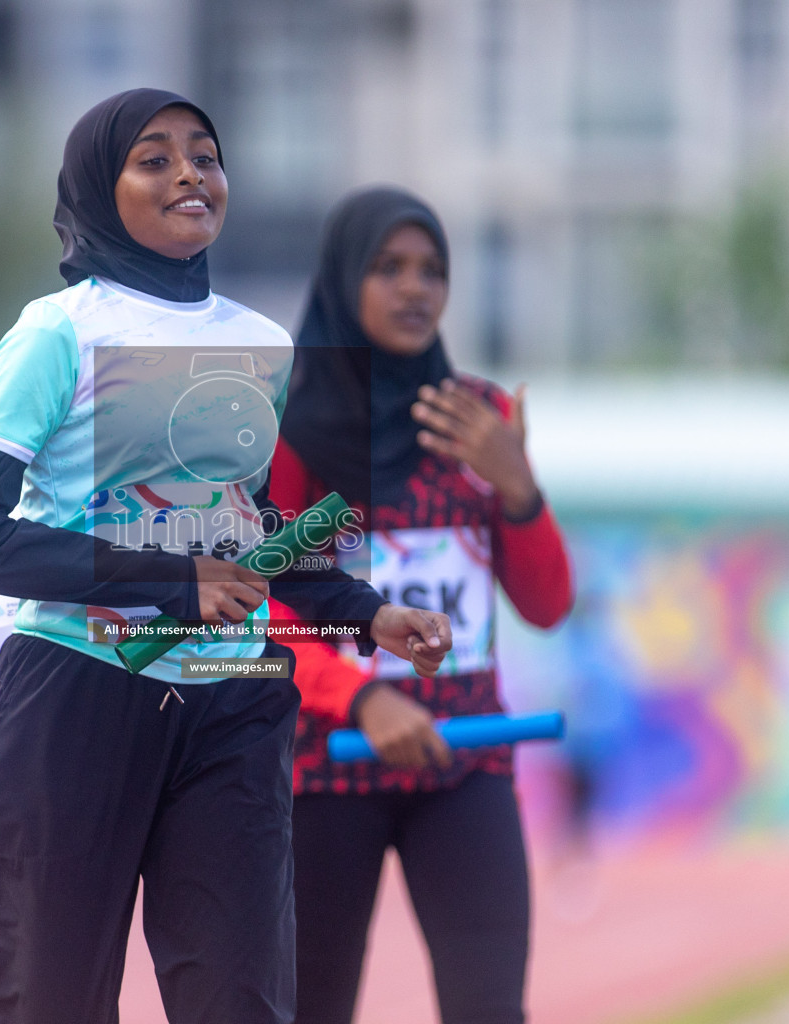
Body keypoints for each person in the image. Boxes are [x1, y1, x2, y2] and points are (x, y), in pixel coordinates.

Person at [0, 91, 453, 1024]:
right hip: (78, 693)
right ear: (101, 187)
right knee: (43, 1000)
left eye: (204, 156)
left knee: (243, 1002)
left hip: (234, 700)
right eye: (154, 158)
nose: (188, 175)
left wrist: (367, 610)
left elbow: (248, 535)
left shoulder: (260, 343)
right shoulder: (56, 333)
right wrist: (173, 581)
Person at [268, 187, 574, 1024]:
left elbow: (547, 605)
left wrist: (517, 487)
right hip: (324, 766)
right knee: (307, 1008)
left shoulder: (477, 417)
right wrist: (360, 697)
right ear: (340, 279)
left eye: (432, 270)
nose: (415, 289)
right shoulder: (285, 426)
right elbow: (264, 609)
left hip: (463, 758)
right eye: (388, 267)